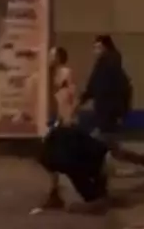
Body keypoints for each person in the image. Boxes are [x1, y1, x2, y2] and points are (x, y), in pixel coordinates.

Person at [33, 46, 108, 214]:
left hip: (66, 121)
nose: (49, 58)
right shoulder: (53, 75)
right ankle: (56, 193)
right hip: (59, 121)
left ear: (59, 57)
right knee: (52, 157)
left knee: (59, 157)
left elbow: (71, 95)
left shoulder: (65, 73)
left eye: (52, 55)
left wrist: (69, 116)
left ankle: (85, 190)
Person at [80, 35, 144, 175]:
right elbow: (94, 87)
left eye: (98, 47)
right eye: (94, 47)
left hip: (108, 114)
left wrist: (120, 112)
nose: (95, 50)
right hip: (105, 113)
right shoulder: (103, 66)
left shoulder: (110, 67)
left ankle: (96, 173)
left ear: (105, 48)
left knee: (96, 143)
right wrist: (83, 99)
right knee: (115, 151)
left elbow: (114, 90)